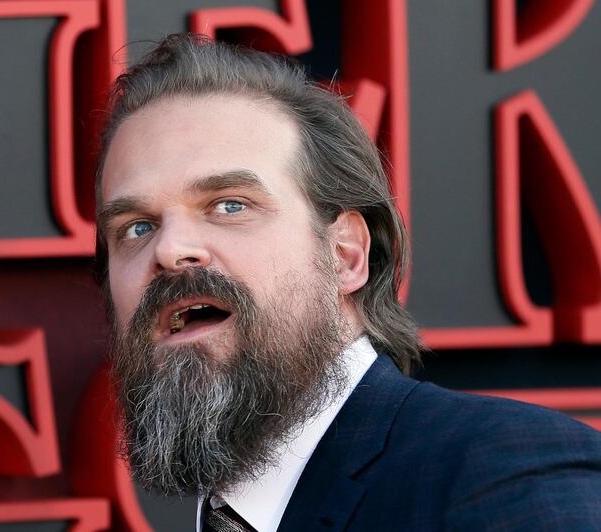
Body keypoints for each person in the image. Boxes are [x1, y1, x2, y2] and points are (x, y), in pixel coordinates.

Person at [93, 34, 601, 531]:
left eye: (230, 205)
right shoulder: (230, 514)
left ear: (346, 254)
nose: (168, 248)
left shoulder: (503, 477)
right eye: (137, 227)